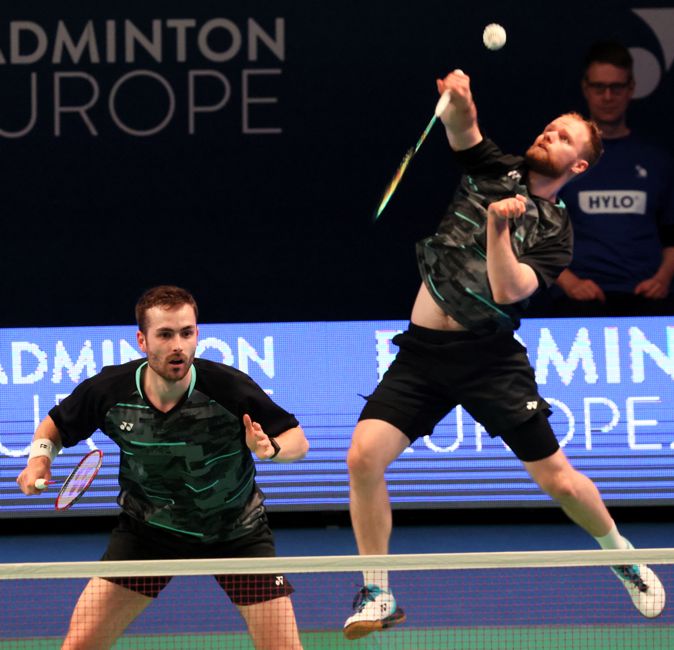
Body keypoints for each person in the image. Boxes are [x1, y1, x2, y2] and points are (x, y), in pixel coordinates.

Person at [342, 69, 665, 640]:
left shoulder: (556, 230)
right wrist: (459, 99)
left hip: (489, 359)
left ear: (579, 166)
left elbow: (511, 290)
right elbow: (464, 130)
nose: (549, 137)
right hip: (422, 354)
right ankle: (378, 589)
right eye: (549, 129)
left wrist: (497, 230)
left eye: (564, 138)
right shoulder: (498, 168)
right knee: (364, 456)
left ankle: (619, 553)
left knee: (559, 482)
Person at [17, 285, 309, 650]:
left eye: (187, 333)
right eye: (165, 334)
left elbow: (298, 440)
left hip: (236, 531)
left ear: (197, 335)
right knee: (78, 646)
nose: (178, 346)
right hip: (148, 532)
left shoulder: (228, 387)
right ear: (142, 340)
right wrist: (39, 459)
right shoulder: (110, 390)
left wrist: (271, 449)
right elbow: (55, 426)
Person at [550, 41, 674, 316]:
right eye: (599, 87)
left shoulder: (657, 161)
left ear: (630, 89)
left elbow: (671, 236)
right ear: (586, 88)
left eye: (616, 88)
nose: (607, 96)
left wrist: (663, 280)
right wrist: (570, 284)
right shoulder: (560, 159)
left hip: (648, 299)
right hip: (578, 303)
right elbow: (532, 236)